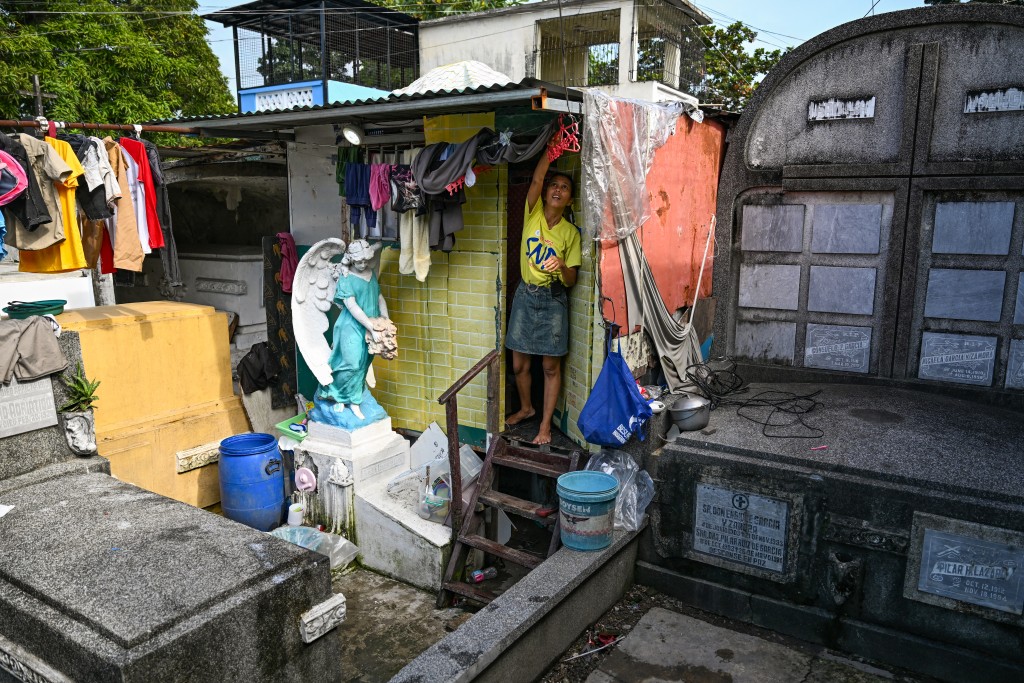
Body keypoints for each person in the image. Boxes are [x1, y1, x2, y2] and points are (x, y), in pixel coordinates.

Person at [504, 143, 582, 445]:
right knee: (519, 363)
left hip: (553, 300)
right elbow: (536, 180)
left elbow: (572, 279)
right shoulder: (532, 213)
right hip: (525, 295)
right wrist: (552, 147)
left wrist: (561, 265)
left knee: (550, 366)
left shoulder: (570, 234)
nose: (557, 190)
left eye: (564, 187)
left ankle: (545, 426)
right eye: (554, 185)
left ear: (570, 199)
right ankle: (526, 408)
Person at [318, 239, 389, 420]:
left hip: (371, 325)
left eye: (365, 261)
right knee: (351, 363)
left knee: (363, 364)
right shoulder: (346, 278)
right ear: (350, 259)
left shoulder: (370, 273)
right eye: (359, 262)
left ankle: (355, 401)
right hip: (351, 327)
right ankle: (338, 396)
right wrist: (372, 328)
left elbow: (379, 296)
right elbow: (353, 307)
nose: (363, 264)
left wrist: (385, 318)